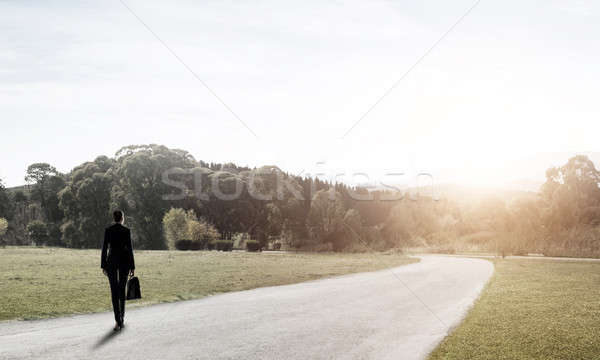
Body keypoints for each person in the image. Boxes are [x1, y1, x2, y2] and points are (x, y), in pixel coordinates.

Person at [101, 210, 135, 331]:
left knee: (114, 292)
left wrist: (103, 265)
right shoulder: (126, 231)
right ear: (122, 218)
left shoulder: (108, 230)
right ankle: (122, 318)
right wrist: (132, 266)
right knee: (121, 291)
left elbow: (104, 248)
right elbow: (130, 249)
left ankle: (118, 321)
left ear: (114, 218)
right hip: (124, 262)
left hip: (111, 263)